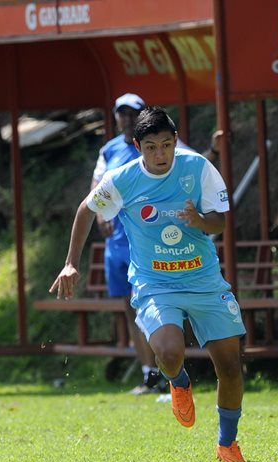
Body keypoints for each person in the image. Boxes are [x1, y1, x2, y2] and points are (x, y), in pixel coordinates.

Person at [51, 106, 247, 462]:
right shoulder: (122, 179)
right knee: (170, 352)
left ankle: (227, 444)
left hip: (204, 279)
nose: (161, 155)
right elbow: (85, 210)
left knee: (231, 367)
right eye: (152, 147)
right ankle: (179, 381)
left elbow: (220, 223)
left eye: (167, 145)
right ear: (138, 146)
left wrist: (199, 221)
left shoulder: (198, 168)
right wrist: (69, 264)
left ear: (176, 142)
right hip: (155, 282)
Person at [91, 93, 224, 395]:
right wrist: (99, 214)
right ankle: (148, 371)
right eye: (121, 114)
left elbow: (194, 162)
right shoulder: (109, 151)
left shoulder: (161, 146)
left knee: (164, 310)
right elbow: (95, 188)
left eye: (132, 114)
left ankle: (170, 370)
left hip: (160, 246)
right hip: (118, 244)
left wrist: (214, 151)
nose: (126, 119)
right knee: (131, 309)